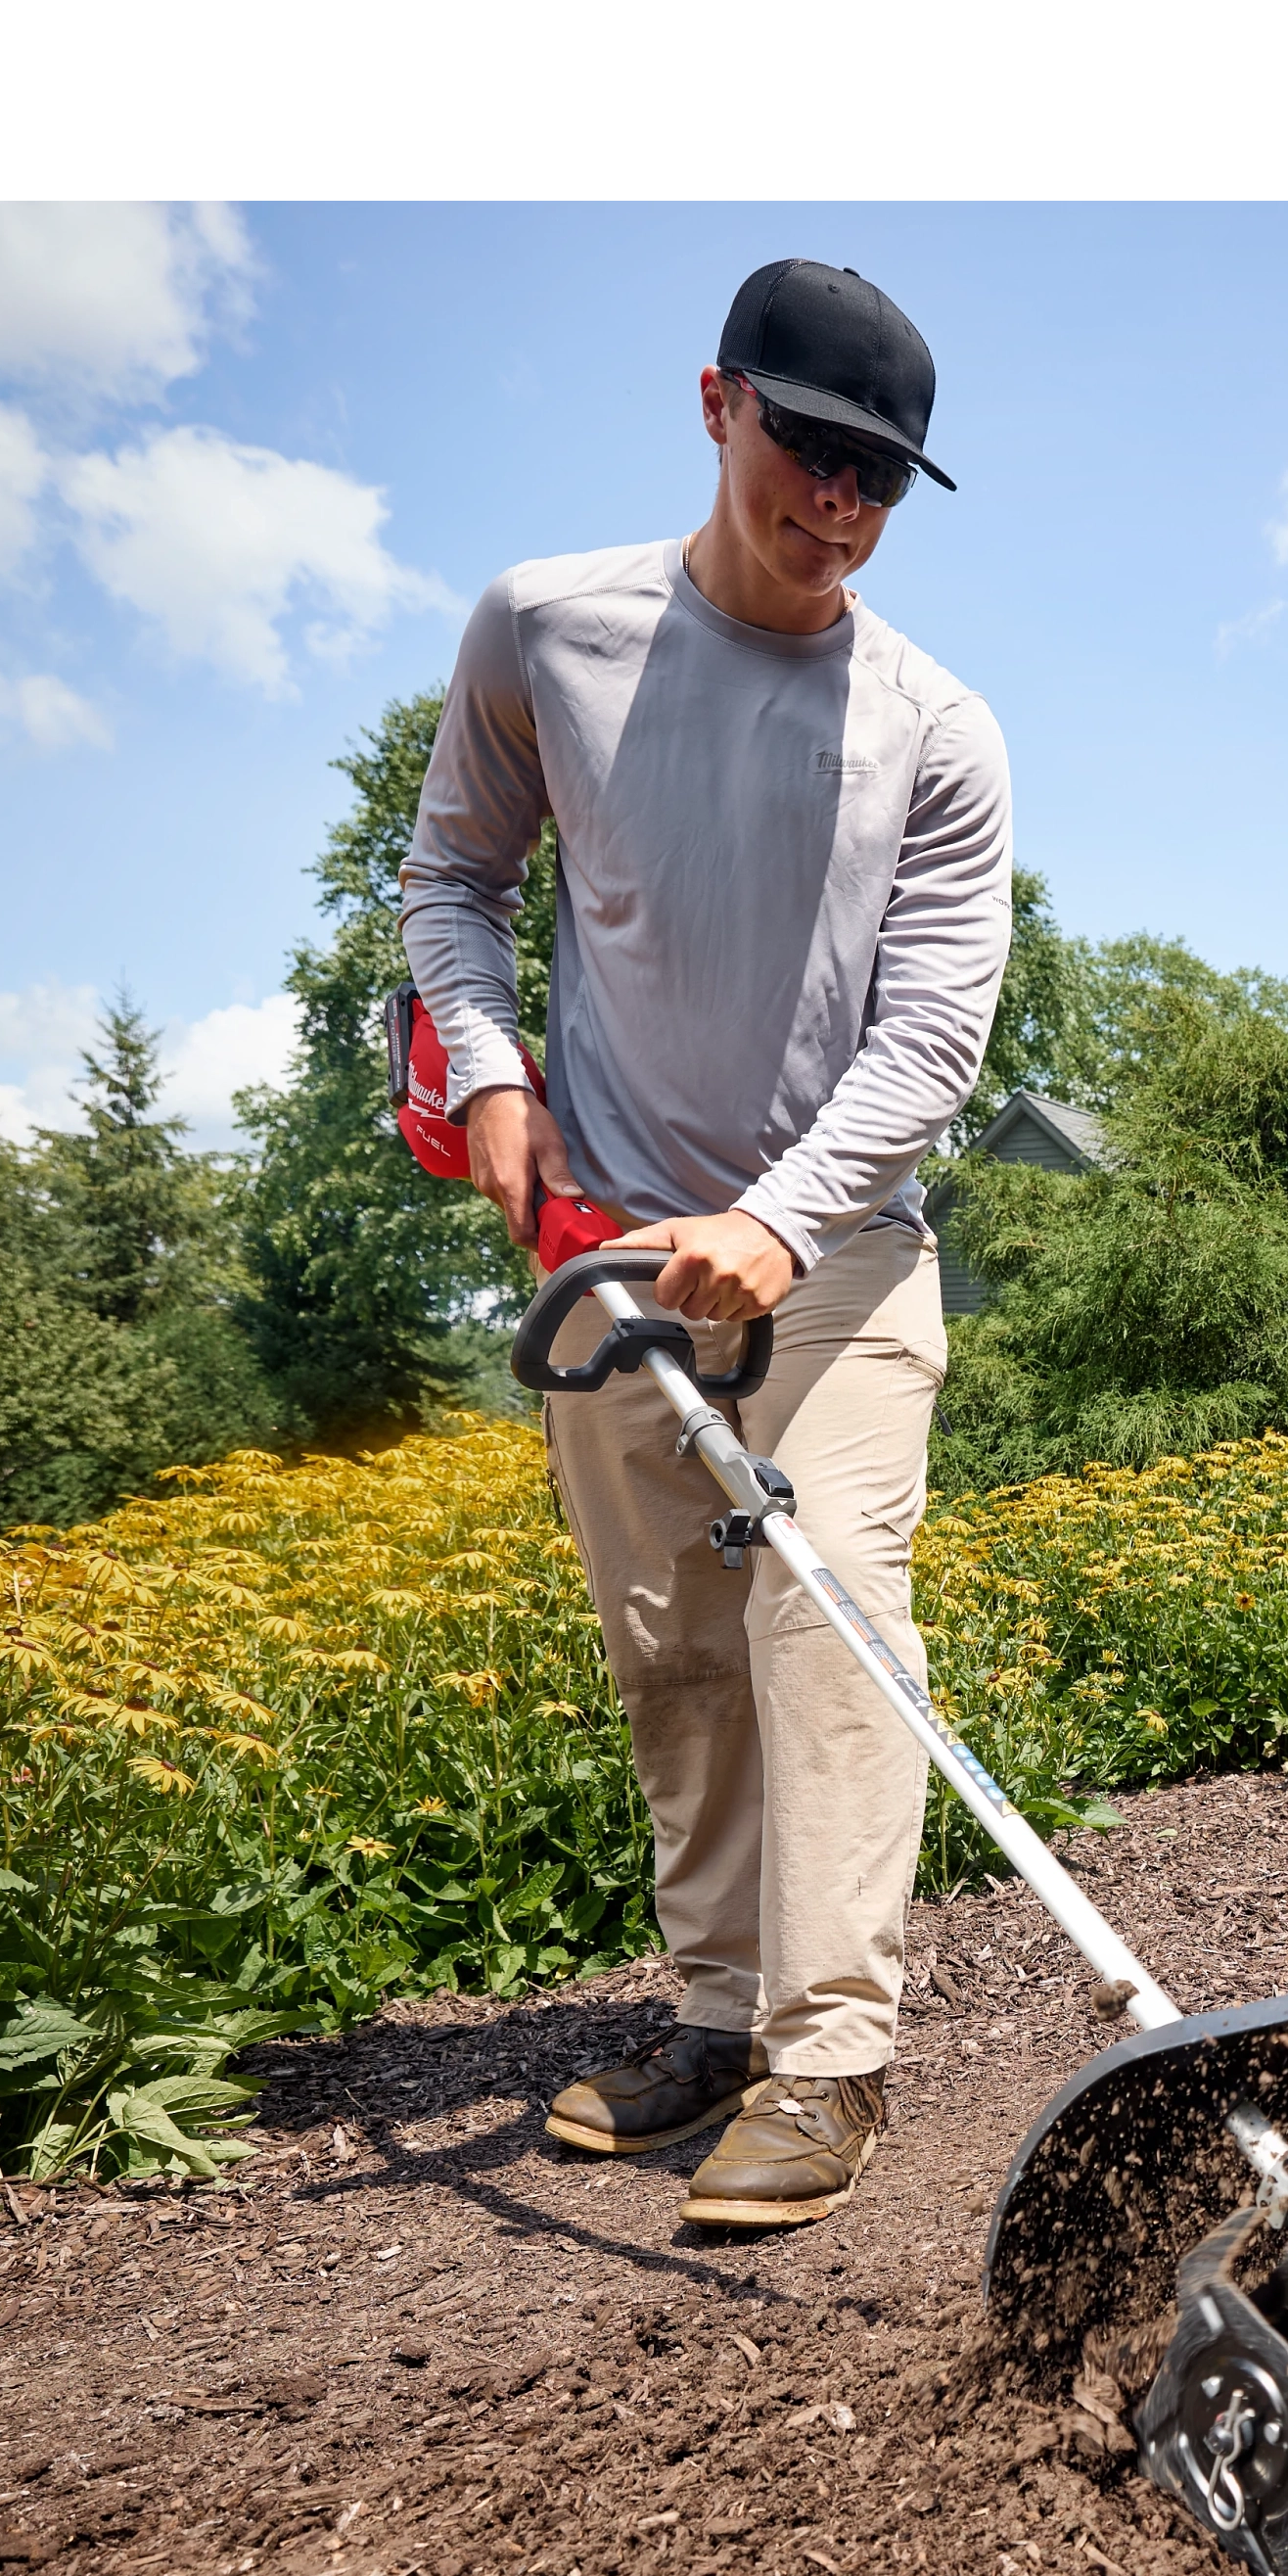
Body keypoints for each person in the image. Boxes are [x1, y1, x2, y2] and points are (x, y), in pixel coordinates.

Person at [399, 258, 1009, 2228]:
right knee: (671, 1648)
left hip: (832, 1254)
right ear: (714, 404)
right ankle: (717, 2010)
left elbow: (929, 1034)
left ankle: (831, 2060)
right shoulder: (542, 631)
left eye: (880, 481)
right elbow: (451, 880)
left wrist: (775, 1217)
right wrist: (486, 1067)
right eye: (810, 451)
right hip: (605, 1263)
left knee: (824, 1608)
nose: (836, 504)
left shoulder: (932, 727)